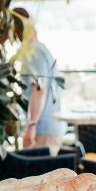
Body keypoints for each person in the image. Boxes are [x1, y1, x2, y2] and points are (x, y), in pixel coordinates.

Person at [20, 20, 66, 155]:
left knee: (36, 176)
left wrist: (31, 125)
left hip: (42, 130)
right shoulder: (40, 49)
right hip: (49, 127)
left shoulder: (34, 52)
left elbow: (39, 89)